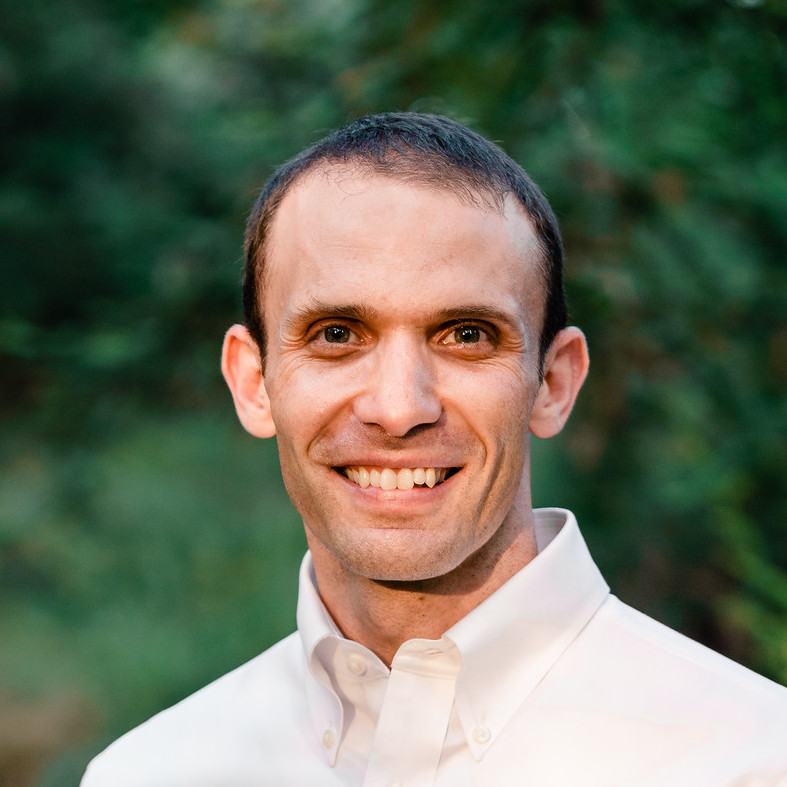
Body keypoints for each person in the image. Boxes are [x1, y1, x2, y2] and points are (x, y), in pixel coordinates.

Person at [81, 113, 787, 786]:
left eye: (465, 335)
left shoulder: (748, 760)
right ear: (252, 382)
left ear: (552, 382)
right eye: (336, 334)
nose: (398, 408)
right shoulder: (148, 772)